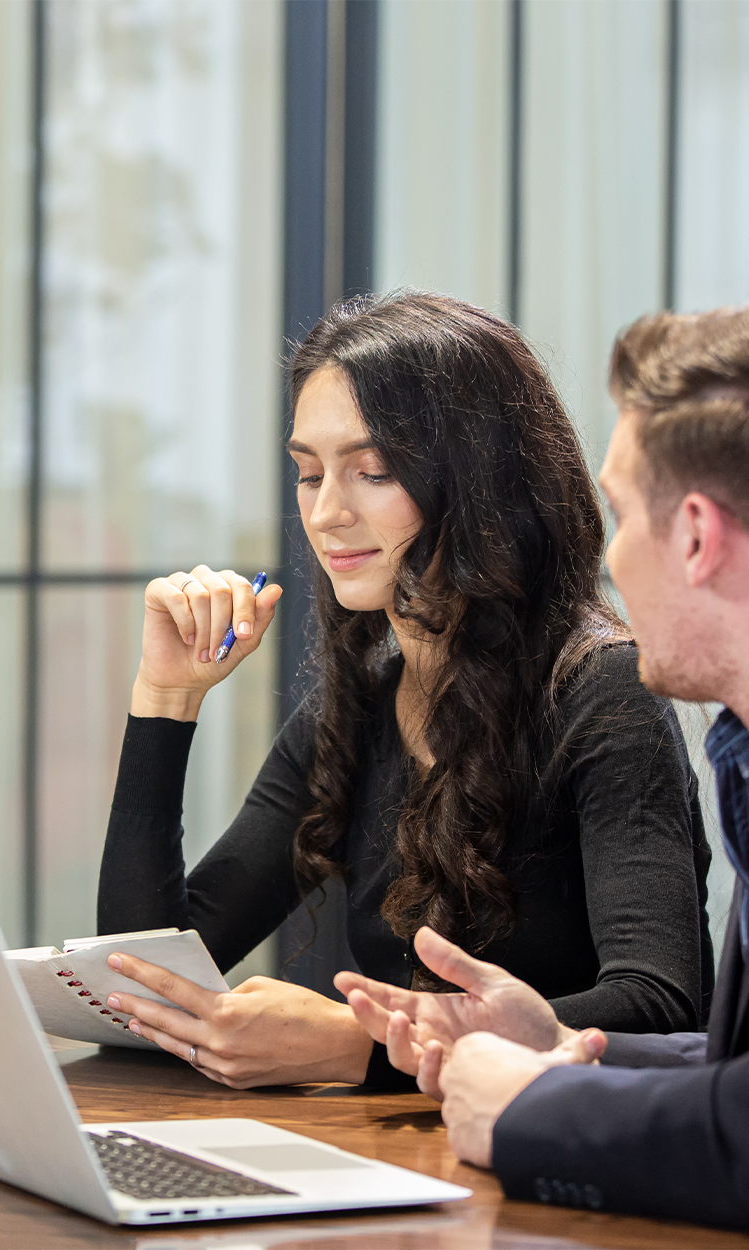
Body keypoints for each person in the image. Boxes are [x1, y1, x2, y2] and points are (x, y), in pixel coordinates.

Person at [96, 291, 713, 1090]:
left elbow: (659, 1009)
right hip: (404, 1160)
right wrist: (165, 700)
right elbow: (140, 977)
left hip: (564, 1173)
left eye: (374, 472)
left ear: (479, 481)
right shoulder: (353, 712)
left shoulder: (603, 694)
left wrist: (371, 1047)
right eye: (309, 474)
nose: (326, 514)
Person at [338, 305, 749, 1229]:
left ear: (692, 534)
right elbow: (730, 1068)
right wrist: (554, 1039)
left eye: (619, 513)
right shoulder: (740, 751)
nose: (606, 556)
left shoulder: (602, 690)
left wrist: (535, 1110)